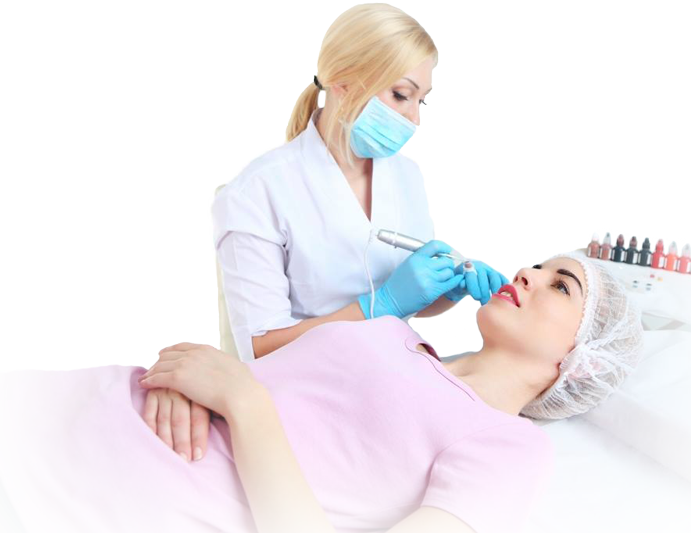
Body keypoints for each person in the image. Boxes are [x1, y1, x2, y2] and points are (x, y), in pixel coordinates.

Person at [0, 255, 643, 532]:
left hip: (68, 513)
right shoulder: (395, 332)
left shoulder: (511, 448)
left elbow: (247, 393)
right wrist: (187, 380)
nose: (529, 272)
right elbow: (247, 366)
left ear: (582, 360)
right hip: (47, 411)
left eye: (561, 285)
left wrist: (243, 404)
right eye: (539, 263)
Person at [151, 2, 508, 465]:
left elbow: (414, 299)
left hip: (395, 384)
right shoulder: (257, 192)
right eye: (402, 95)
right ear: (343, 82)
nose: (415, 119)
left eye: (422, 101)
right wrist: (380, 306)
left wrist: (448, 289)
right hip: (306, 401)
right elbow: (260, 351)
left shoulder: (407, 177)